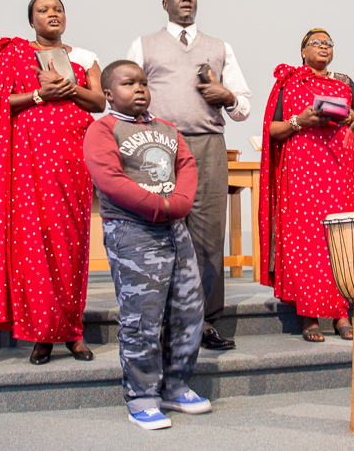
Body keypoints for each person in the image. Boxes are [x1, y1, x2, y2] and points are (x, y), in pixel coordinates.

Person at [83, 60, 209, 430]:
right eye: (128, 83)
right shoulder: (102, 128)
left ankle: (176, 384)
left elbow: (186, 166)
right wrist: (158, 206)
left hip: (175, 228)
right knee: (142, 317)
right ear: (108, 93)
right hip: (133, 231)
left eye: (143, 82)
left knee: (187, 309)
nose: (139, 89)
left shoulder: (167, 129)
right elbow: (109, 178)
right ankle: (142, 396)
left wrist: (180, 203)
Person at [127, 0, 252, 350]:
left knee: (208, 236)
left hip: (209, 144)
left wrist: (226, 95)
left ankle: (205, 322)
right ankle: (163, 322)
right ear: (164, 3)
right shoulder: (144, 45)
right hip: (159, 145)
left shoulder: (219, 47)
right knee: (159, 232)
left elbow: (243, 106)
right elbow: (125, 93)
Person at [0, 0, 105, 365]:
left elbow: (99, 103)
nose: (52, 14)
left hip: (72, 162)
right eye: (43, 10)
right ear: (31, 20)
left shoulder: (85, 57)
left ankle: (73, 332)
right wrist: (39, 94)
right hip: (30, 164)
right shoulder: (13, 55)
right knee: (35, 246)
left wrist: (71, 89)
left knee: (71, 245)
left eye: (58, 9)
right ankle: (41, 336)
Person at [259, 29, 354, 342]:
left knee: (338, 239)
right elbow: (273, 129)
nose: (323, 47)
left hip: (338, 168)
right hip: (302, 169)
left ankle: (339, 313)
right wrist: (301, 121)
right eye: (316, 43)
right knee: (306, 240)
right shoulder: (290, 82)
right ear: (303, 51)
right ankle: (309, 316)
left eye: (328, 43)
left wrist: (350, 117)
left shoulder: (346, 82)